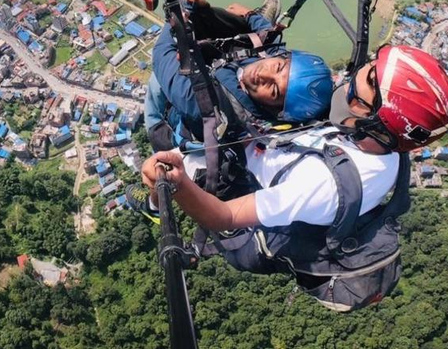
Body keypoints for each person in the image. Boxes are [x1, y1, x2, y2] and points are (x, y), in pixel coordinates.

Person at [131, 44, 448, 304]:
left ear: (371, 117)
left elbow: (224, 217)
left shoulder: (323, 184)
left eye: (358, 86)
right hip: (266, 148)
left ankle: (154, 207)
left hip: (245, 213)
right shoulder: (382, 146)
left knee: (167, 145)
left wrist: (179, 183)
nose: (351, 80)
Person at [146, 0, 334, 151]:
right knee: (249, 36)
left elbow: (161, 54)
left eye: (274, 91)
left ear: (276, 112)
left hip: (168, 113)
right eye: (278, 67)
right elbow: (271, 39)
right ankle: (219, 16)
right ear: (285, 56)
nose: (264, 75)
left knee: (157, 78)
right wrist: (249, 15)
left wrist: (176, 18)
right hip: (220, 69)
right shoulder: (275, 60)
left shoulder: (206, 106)